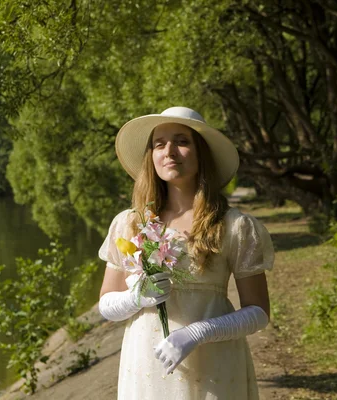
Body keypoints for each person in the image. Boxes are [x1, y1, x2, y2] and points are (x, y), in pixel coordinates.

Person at [98, 106, 275, 399]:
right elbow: (105, 304)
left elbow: (258, 313)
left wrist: (199, 332)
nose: (169, 151)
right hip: (147, 364)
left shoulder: (235, 225)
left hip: (215, 364)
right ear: (151, 156)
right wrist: (136, 297)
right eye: (159, 143)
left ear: (201, 153)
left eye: (181, 141)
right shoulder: (129, 223)